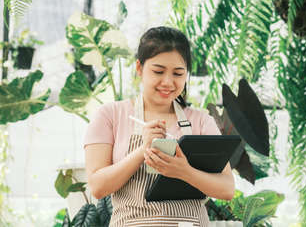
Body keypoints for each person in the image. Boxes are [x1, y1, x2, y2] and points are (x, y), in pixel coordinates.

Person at [84, 26, 235, 226]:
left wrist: (184, 171)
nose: (168, 82)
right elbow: (97, 187)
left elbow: (227, 189)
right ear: (139, 68)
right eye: (158, 71)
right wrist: (143, 150)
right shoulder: (111, 115)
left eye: (178, 74)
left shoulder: (201, 121)